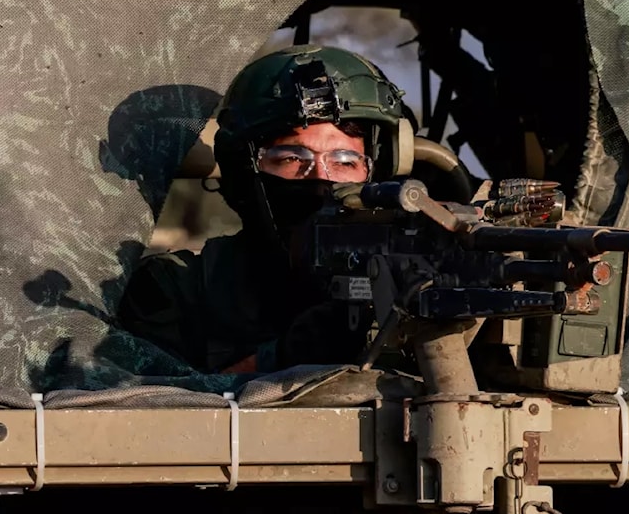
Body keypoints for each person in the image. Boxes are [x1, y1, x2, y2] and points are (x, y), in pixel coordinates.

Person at [117, 44, 411, 374]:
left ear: (374, 173)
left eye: (345, 161)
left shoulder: (411, 279)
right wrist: (279, 359)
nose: (320, 179)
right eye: (291, 159)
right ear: (244, 174)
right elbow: (148, 411)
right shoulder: (178, 288)